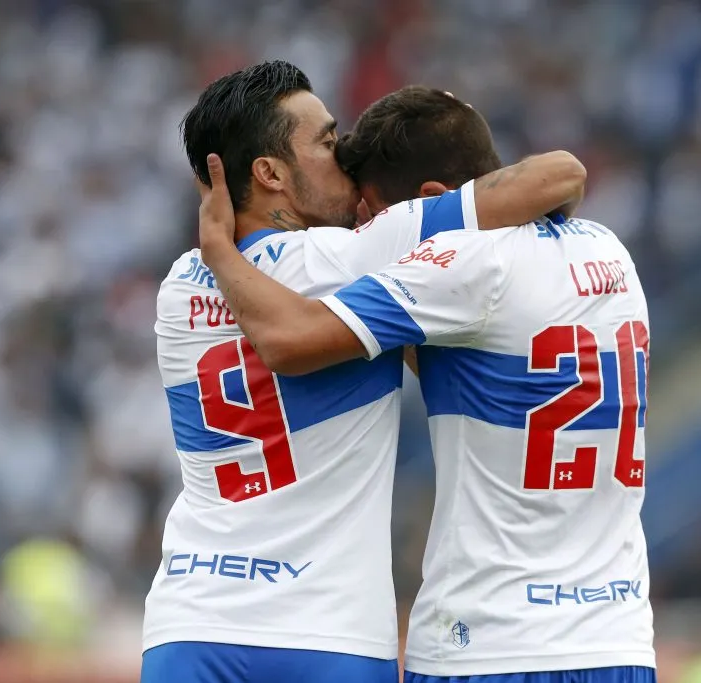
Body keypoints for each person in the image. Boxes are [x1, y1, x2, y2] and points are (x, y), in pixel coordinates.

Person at [142, 61, 587, 683]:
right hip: (329, 631)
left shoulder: (177, 285)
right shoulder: (357, 253)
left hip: (190, 624)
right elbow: (555, 177)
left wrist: (220, 250)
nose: (344, 158)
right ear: (270, 173)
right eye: (326, 143)